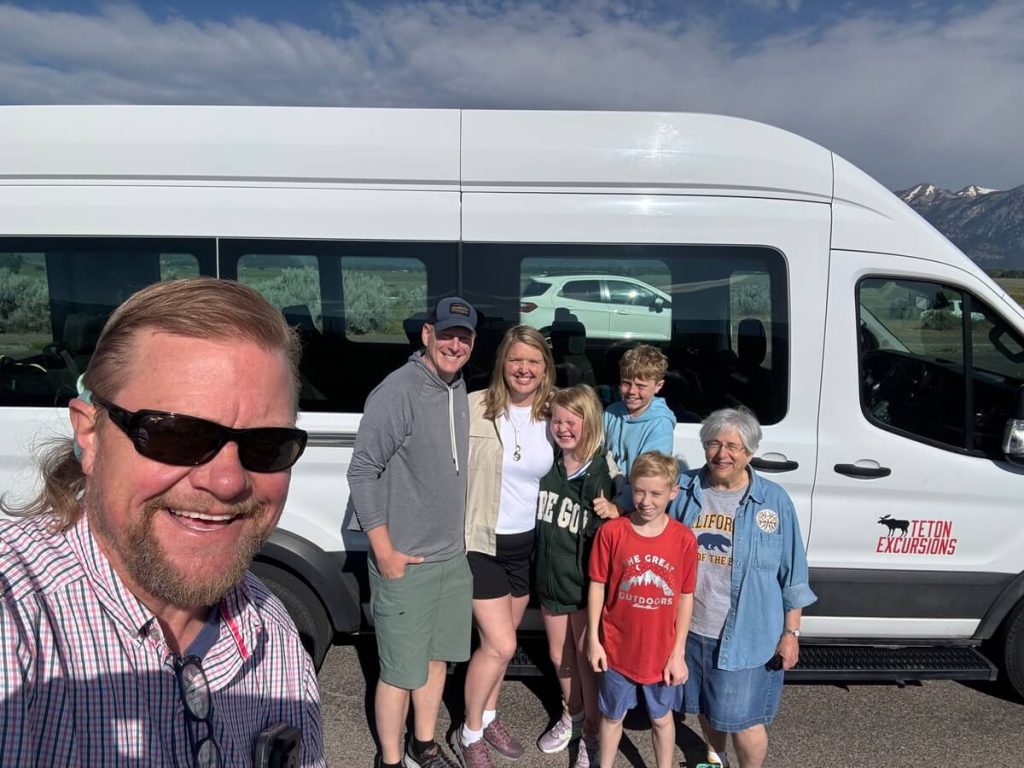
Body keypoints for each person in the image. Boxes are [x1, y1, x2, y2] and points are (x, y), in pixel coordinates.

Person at [0, 277, 324, 766]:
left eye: (266, 445)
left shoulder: (273, 637)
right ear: (89, 436)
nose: (228, 481)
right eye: (175, 434)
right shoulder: (18, 620)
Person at [348, 296, 478, 768]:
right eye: (446, 334)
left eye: (463, 337)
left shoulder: (456, 387)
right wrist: (383, 550)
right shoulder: (399, 390)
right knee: (400, 673)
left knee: (437, 662)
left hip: (450, 559)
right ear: (427, 334)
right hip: (405, 559)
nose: (454, 344)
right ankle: (390, 757)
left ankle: (423, 744)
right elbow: (362, 471)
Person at [669, 407, 816, 768]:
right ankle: (714, 759)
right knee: (704, 706)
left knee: (744, 721)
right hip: (690, 629)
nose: (722, 454)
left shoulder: (773, 500)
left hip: (749, 635)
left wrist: (791, 632)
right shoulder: (683, 490)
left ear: (749, 452)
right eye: (714, 444)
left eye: (733, 446)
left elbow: (793, 573)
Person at [450, 326, 556, 768]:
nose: (524, 369)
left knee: (498, 646)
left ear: (545, 368)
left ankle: (489, 714)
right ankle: (469, 732)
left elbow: (589, 457)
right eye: (516, 360)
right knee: (501, 645)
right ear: (502, 365)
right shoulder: (472, 407)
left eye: (533, 361)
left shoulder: (556, 414)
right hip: (480, 542)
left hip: (526, 547)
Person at [588, 451, 697, 768]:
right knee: (612, 716)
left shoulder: (683, 539)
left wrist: (678, 652)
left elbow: (685, 596)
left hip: (660, 652)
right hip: (616, 647)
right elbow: (597, 584)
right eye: (639, 491)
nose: (646, 501)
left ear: (673, 492)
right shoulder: (612, 533)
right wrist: (594, 640)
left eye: (655, 493)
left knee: (662, 719)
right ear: (630, 487)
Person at [533, 384, 619, 768]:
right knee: (557, 655)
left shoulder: (599, 472)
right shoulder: (548, 464)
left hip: (584, 588)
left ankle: (592, 733)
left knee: (587, 659)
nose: (563, 428)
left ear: (590, 423)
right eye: (557, 420)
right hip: (550, 581)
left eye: (572, 421)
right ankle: (574, 714)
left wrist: (616, 508)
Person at [603, 344, 676, 478]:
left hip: (636, 493)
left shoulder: (660, 425)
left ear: (658, 386)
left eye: (641, 386)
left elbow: (649, 475)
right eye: (626, 383)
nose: (632, 391)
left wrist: (621, 498)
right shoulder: (610, 413)